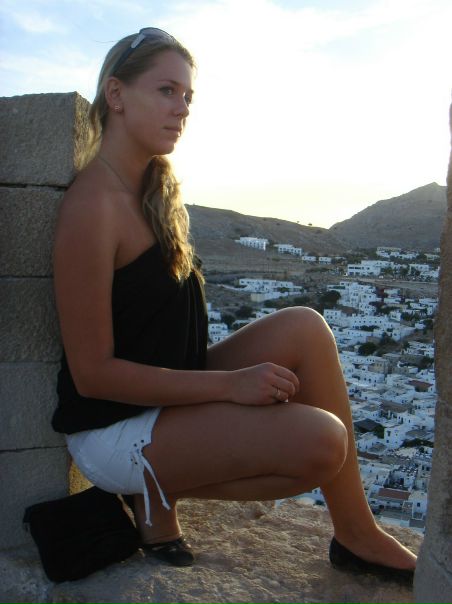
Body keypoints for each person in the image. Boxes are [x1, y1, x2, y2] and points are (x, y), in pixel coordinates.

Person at [52, 28, 417, 576]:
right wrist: (229, 386)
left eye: (187, 96)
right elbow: (93, 375)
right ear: (117, 93)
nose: (182, 108)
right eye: (167, 91)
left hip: (169, 395)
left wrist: (225, 385)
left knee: (305, 327)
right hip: (115, 428)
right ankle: (152, 488)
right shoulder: (92, 207)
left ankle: (356, 532)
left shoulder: (149, 194)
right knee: (322, 442)